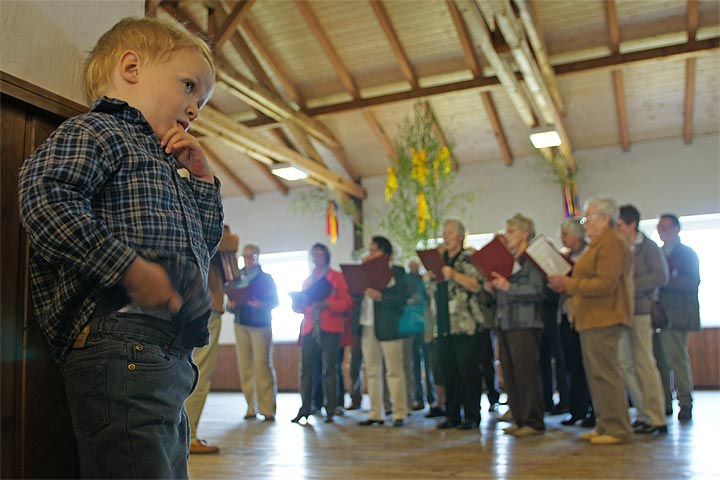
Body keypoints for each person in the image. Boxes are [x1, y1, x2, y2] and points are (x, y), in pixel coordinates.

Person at [18, 17, 222, 478]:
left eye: (202, 102)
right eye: (189, 86)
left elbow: (203, 244)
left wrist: (204, 182)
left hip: (168, 355)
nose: (194, 108)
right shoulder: (99, 132)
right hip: (120, 343)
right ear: (131, 67)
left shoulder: (166, 162)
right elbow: (47, 201)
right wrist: (130, 269)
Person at [548, 196, 634, 445]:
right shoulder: (599, 244)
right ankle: (604, 422)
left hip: (605, 316)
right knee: (596, 376)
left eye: (588, 218)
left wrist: (569, 284)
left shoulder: (612, 243)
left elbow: (606, 283)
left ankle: (617, 428)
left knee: (607, 375)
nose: (584, 224)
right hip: (591, 318)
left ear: (605, 219)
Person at [486, 214, 546, 437]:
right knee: (510, 373)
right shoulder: (509, 259)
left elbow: (538, 290)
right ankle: (519, 417)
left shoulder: (532, 259)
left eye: (512, 231)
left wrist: (508, 287)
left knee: (526, 373)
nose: (508, 236)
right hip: (505, 321)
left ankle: (533, 420)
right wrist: (494, 288)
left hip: (525, 321)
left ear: (525, 233)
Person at [430, 219, 491, 431]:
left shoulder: (469, 261)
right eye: (444, 233)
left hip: (466, 325)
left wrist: (454, 275)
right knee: (449, 372)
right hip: (443, 324)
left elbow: (477, 285)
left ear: (460, 236)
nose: (445, 236)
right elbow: (430, 291)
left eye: (449, 233)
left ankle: (473, 415)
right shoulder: (438, 262)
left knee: (469, 372)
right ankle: (452, 414)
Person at [616, 205, 669, 434]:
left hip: (641, 310)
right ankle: (642, 413)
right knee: (626, 363)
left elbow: (660, 276)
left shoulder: (648, 247)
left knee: (644, 363)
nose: (617, 230)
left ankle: (657, 416)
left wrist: (630, 287)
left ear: (631, 225)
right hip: (621, 312)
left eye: (619, 226)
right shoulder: (619, 247)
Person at [187, 225, 239, 454]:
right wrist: (222, 227)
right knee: (200, 371)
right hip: (206, 305)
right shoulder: (204, 227)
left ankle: (186, 433)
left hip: (185, 304)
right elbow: (231, 242)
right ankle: (189, 436)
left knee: (188, 370)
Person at [291, 243, 352, 424]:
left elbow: (347, 303)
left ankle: (331, 408)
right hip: (310, 328)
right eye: (313, 254)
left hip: (330, 327)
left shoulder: (337, 278)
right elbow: (303, 307)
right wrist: (297, 303)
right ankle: (305, 408)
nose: (316, 257)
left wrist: (328, 305)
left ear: (327, 256)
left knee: (329, 369)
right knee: (307, 370)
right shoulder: (307, 281)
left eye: (320, 254)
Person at [353, 236, 409, 427]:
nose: (371, 254)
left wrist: (380, 297)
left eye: (375, 250)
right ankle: (376, 413)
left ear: (385, 253)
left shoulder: (398, 272)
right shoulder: (364, 271)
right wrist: (360, 273)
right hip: (367, 324)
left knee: (394, 370)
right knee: (372, 370)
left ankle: (399, 412)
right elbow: (352, 293)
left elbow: (402, 298)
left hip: (389, 325)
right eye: (370, 250)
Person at [654, 213, 701, 421]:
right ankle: (664, 402)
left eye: (666, 227)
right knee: (660, 361)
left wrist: (664, 281)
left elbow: (691, 283)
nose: (662, 231)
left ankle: (685, 401)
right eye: (659, 227)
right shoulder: (658, 253)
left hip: (679, 315)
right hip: (658, 315)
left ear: (676, 229)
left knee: (677, 359)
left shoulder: (687, 254)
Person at [227, 243, 279, 422]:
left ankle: (268, 409)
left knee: (262, 365)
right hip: (241, 323)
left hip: (260, 325)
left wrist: (262, 305)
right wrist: (230, 305)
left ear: (257, 257)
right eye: (246, 256)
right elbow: (230, 300)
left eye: (251, 256)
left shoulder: (266, 278)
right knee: (245, 367)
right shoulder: (236, 276)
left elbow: (275, 301)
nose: (248, 260)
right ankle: (251, 407)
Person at [557, 218, 595, 428]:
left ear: (578, 235)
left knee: (588, 365)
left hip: (587, 314)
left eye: (566, 235)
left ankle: (593, 410)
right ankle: (576, 410)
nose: (563, 239)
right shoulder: (564, 258)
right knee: (572, 365)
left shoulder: (590, 254)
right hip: (566, 315)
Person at [406, 259, 436, 411]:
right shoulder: (406, 280)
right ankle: (419, 397)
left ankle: (432, 397)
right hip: (412, 326)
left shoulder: (426, 280)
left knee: (429, 363)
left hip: (426, 325)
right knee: (415, 364)